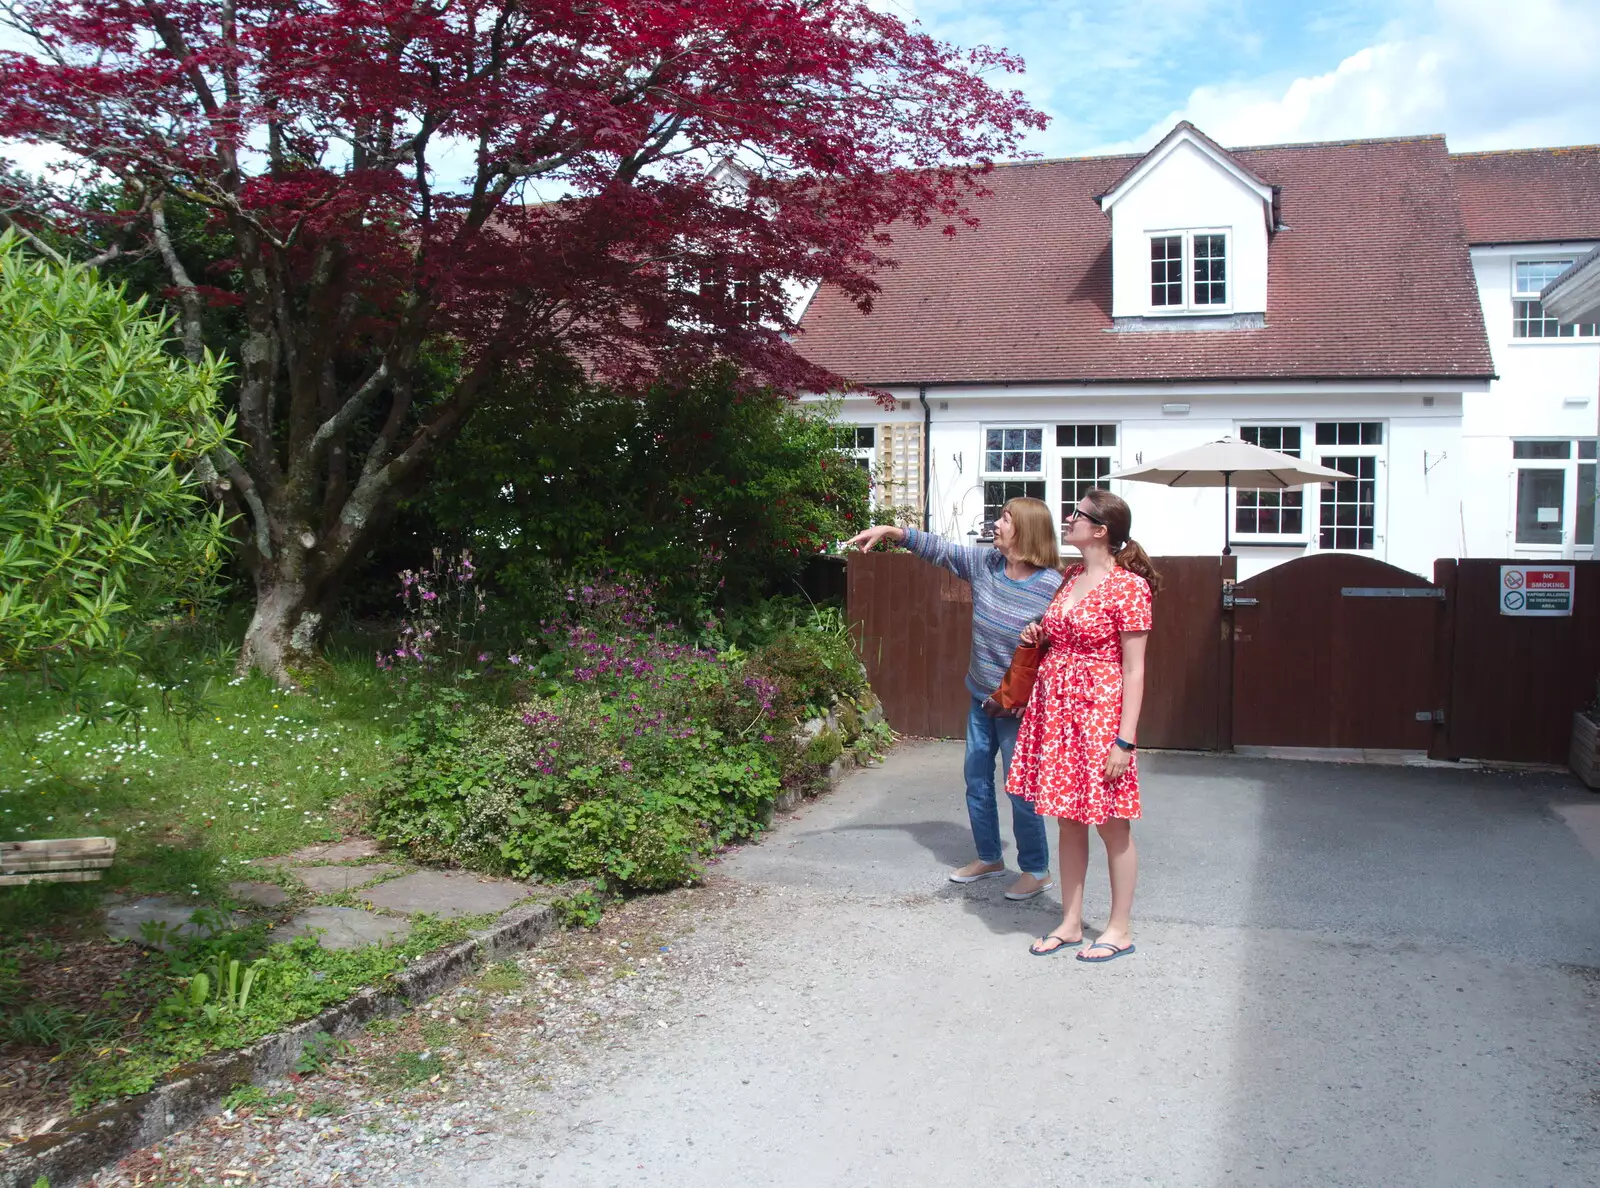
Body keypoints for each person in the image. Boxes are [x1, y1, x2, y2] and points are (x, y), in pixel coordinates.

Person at [845, 499, 1063, 900]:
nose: (995, 525)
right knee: (976, 780)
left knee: (1020, 789)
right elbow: (940, 549)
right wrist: (892, 532)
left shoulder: (1053, 586)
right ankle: (990, 857)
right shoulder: (986, 566)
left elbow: (1063, 650)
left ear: (1025, 531)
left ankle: (1036, 870)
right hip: (981, 698)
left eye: (1005, 519)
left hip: (1019, 710)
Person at [1007, 488, 1158, 962]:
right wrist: (1038, 633)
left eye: (1077, 515)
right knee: (1068, 820)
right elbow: (1060, 635)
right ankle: (1071, 923)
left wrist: (1125, 740)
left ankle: (1119, 928)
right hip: (1057, 713)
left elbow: (1134, 669)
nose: (1067, 519)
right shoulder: (1069, 576)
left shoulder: (1130, 587)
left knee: (1112, 825)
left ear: (1101, 530)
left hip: (1099, 716)